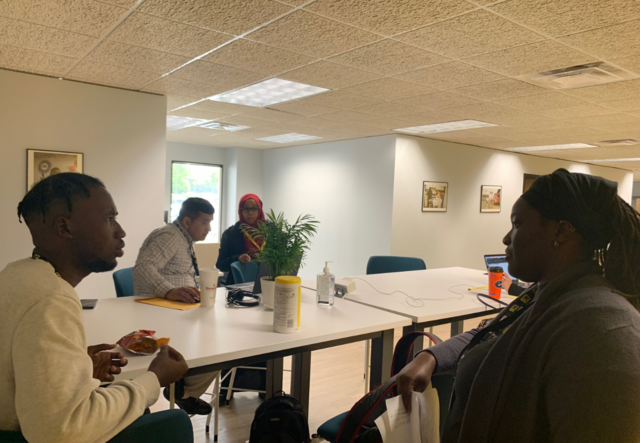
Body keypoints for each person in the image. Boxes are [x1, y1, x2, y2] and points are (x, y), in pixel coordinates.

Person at [398, 168, 640, 443]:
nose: (506, 238)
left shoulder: (602, 328)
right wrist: (430, 357)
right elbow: (492, 334)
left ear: (561, 231)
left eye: (517, 223)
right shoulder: (548, 295)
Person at [0, 173, 191, 443]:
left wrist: (76, 366)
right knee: (172, 423)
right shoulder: (51, 299)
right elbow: (61, 431)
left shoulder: (16, 275)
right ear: (64, 228)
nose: (121, 231)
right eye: (108, 218)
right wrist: (153, 379)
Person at [133, 197, 218, 415]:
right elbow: (143, 267)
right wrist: (169, 291)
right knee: (219, 347)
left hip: (177, 312)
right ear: (187, 221)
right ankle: (184, 391)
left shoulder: (183, 238)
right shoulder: (170, 236)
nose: (208, 228)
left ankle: (183, 388)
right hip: (161, 315)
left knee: (218, 343)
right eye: (205, 222)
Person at [216, 194, 265, 285]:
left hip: (267, 280)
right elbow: (220, 264)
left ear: (260, 210)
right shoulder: (230, 234)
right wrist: (238, 258)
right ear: (240, 210)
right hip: (238, 284)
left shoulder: (271, 231)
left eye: (254, 209)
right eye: (246, 209)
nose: (250, 213)